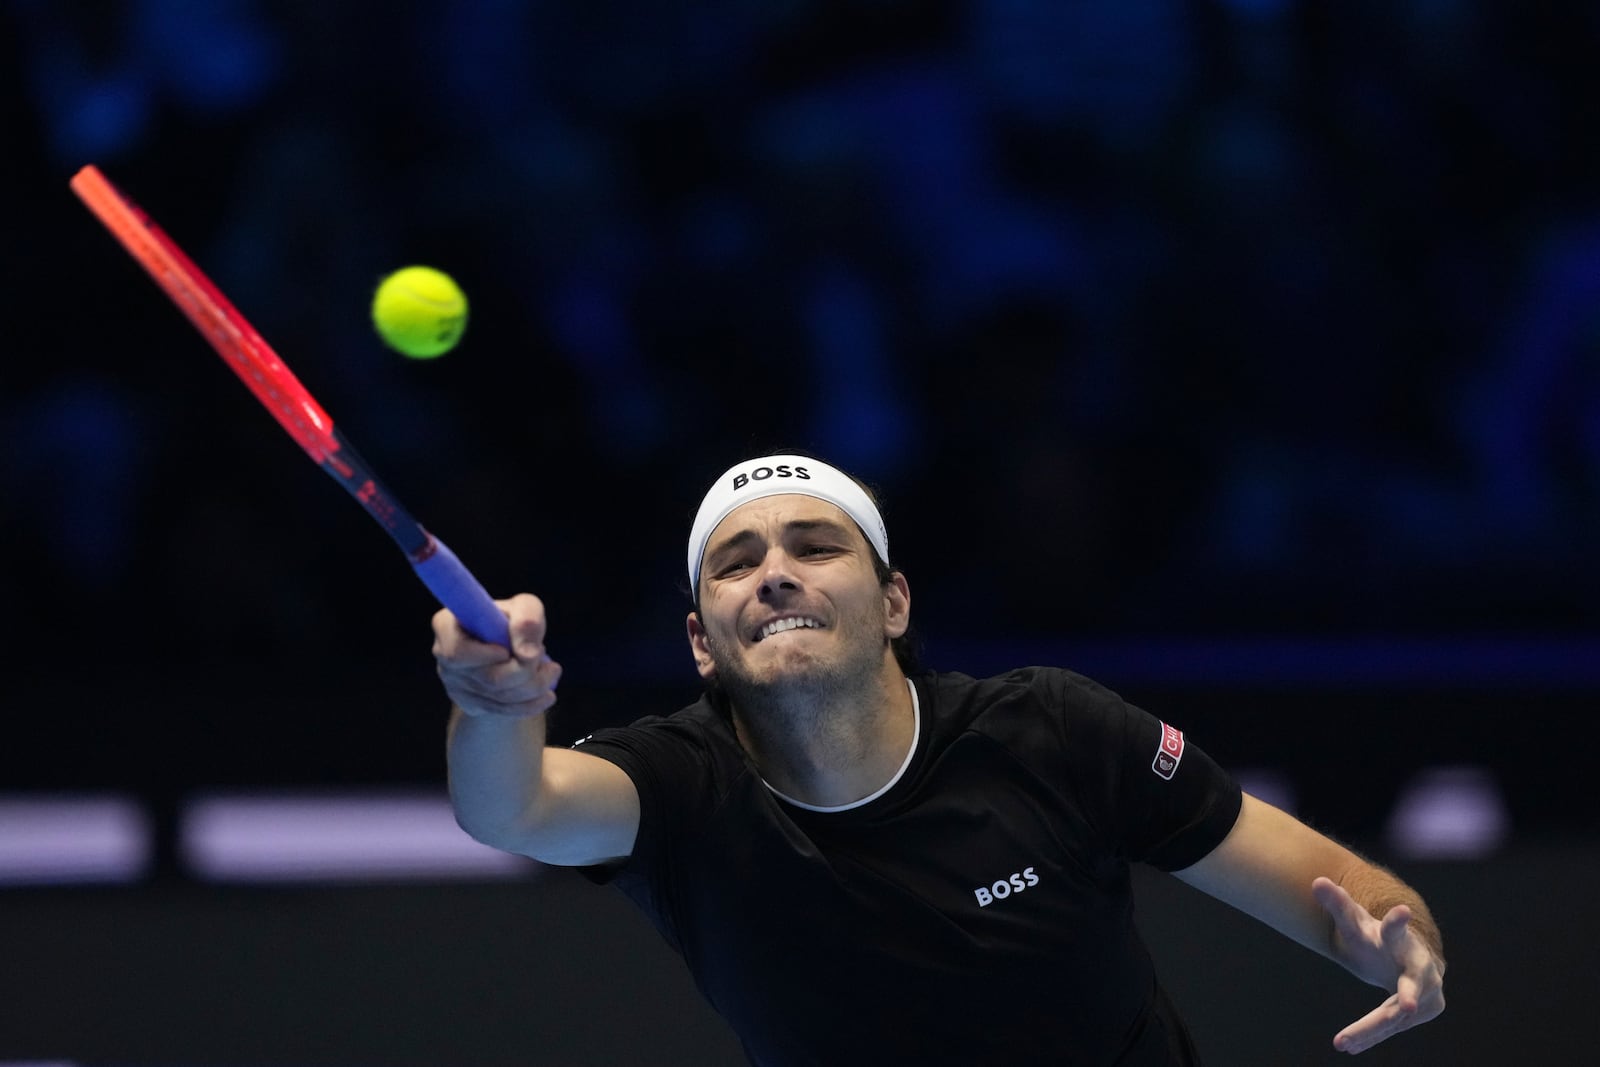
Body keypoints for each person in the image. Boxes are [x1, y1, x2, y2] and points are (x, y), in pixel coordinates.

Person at [434, 453, 1446, 1065]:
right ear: (703, 642)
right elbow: (512, 808)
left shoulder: (1051, 730)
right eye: (736, 564)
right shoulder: (677, 786)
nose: (775, 571)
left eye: (814, 547)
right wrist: (491, 702)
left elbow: (1331, 884)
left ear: (895, 603)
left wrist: (1398, 939)